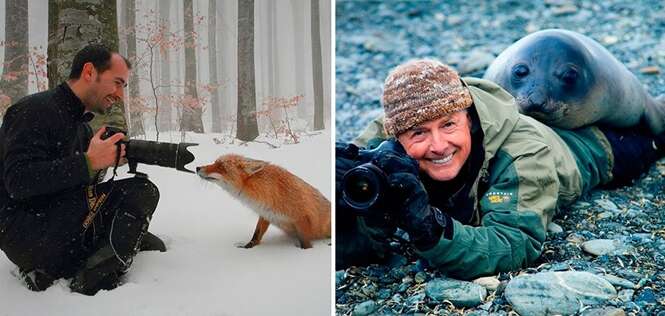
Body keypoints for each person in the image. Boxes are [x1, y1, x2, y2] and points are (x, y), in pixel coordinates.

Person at [336, 59, 665, 279]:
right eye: (419, 133)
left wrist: (428, 227)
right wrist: (340, 202)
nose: (437, 145)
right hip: (529, 115)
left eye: (448, 125)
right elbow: (353, 217)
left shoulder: (523, 154)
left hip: (591, 148)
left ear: (468, 118)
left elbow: (512, 244)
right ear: (395, 132)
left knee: (654, 133)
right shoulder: (388, 136)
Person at [0, 45, 165, 295]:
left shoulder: (82, 127)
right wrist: (88, 162)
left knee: (137, 225)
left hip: (53, 222)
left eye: (124, 87)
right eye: (117, 83)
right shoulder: (33, 110)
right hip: (27, 232)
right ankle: (91, 282)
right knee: (141, 191)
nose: (120, 94)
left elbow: (70, 184)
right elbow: (19, 182)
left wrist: (102, 163)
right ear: (89, 72)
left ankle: (58, 267)